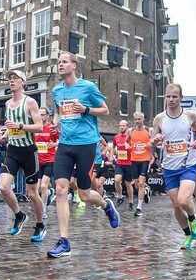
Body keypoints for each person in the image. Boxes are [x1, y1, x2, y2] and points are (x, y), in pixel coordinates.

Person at [47, 52, 119, 258]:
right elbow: (59, 112)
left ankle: (106, 206)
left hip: (87, 145)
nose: (60, 65)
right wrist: (54, 125)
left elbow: (105, 110)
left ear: (74, 65)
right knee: (60, 190)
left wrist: (86, 109)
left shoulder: (87, 87)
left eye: (64, 62)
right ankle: (64, 241)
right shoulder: (57, 90)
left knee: (84, 194)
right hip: (65, 145)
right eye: (58, 62)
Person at [150, 83, 196, 250]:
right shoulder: (159, 119)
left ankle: (193, 219)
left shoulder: (190, 116)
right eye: (168, 97)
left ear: (181, 98)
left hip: (188, 164)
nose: (171, 100)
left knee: (183, 200)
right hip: (169, 167)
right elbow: (151, 143)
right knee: (176, 206)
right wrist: (155, 140)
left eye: (175, 96)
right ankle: (188, 234)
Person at [0, 70, 45, 241]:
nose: (11, 81)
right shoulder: (7, 104)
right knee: (3, 187)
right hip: (13, 151)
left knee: (32, 194)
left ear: (23, 83)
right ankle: (19, 215)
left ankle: (40, 225)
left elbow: (39, 127)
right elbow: (11, 128)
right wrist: (5, 134)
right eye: (10, 79)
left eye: (15, 79)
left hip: (28, 152)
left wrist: (20, 125)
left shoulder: (30, 102)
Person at [35, 108, 59, 219]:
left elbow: (61, 140)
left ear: (47, 116)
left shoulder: (51, 127)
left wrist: (53, 145)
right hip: (38, 161)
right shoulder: (35, 128)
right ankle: (50, 193)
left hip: (50, 160)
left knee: (43, 186)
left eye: (43, 115)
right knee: (38, 188)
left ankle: (43, 210)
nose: (41, 117)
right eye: (39, 114)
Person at [127, 112, 152, 216]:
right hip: (134, 159)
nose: (137, 121)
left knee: (141, 183)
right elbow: (126, 141)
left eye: (139, 119)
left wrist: (150, 143)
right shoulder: (131, 130)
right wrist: (127, 145)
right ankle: (147, 190)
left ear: (143, 119)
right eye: (135, 119)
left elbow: (156, 141)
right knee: (137, 184)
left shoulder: (149, 130)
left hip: (145, 159)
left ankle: (139, 208)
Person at [112, 120, 133, 210]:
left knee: (128, 184)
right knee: (117, 180)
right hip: (119, 163)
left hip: (129, 163)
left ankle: (131, 202)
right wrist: (112, 155)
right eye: (120, 126)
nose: (121, 127)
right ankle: (120, 197)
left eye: (123, 126)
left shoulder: (131, 137)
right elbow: (113, 147)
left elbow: (136, 146)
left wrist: (130, 147)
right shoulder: (116, 137)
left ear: (127, 127)